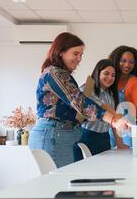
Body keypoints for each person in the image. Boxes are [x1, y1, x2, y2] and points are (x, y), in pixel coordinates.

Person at [29, 32, 129, 168]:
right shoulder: (54, 73)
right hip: (53, 134)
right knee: (58, 184)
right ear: (61, 52)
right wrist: (113, 120)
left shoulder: (64, 75)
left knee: (63, 182)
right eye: (75, 54)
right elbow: (79, 101)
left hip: (63, 135)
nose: (79, 58)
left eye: (81, 55)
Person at [73, 59, 119, 161]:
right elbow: (104, 108)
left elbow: (113, 123)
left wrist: (119, 143)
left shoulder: (110, 94)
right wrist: (121, 120)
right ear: (97, 73)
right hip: (86, 136)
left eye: (113, 75)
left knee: (103, 172)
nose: (110, 78)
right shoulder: (86, 90)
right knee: (83, 172)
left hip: (105, 138)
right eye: (106, 74)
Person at [108, 45, 137, 148]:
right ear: (116, 61)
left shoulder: (134, 82)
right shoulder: (110, 80)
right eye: (123, 61)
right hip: (110, 130)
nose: (127, 65)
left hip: (127, 131)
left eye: (131, 62)